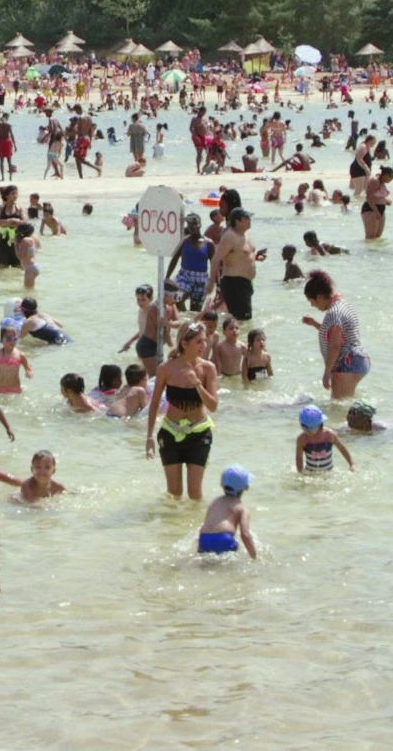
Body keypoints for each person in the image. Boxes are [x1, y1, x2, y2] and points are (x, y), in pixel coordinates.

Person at [144, 321, 218, 500]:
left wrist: (197, 384)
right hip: (170, 432)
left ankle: (195, 526)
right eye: (199, 342)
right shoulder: (166, 369)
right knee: (174, 493)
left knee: (195, 493)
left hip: (199, 434)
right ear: (185, 344)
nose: (204, 346)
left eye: (205, 341)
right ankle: (173, 527)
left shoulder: (208, 368)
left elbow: (213, 406)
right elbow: (154, 404)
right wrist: (149, 436)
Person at [300, 270, 369, 400]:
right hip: (357, 360)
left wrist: (327, 372)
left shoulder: (333, 313)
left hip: (347, 364)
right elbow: (336, 336)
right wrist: (314, 323)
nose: (312, 305)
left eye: (311, 301)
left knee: (339, 407)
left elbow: (335, 345)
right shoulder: (342, 304)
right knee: (345, 403)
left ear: (320, 297)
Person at [198, 465, 258, 558]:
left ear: (222, 484)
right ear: (246, 487)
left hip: (204, 538)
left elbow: (206, 524)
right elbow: (245, 534)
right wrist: (254, 556)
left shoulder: (214, 502)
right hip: (225, 539)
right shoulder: (242, 507)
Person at [210, 208, 258, 320]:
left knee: (243, 319)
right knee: (242, 319)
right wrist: (211, 282)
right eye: (247, 218)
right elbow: (216, 259)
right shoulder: (230, 236)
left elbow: (243, 254)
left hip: (246, 283)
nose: (250, 220)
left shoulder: (246, 234)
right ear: (237, 221)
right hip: (234, 282)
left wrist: (257, 257)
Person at [294, 406, 354, 473]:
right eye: (303, 427)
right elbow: (299, 457)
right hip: (311, 472)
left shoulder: (329, 435)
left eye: (308, 429)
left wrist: (352, 464)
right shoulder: (302, 439)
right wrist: (301, 473)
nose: (305, 431)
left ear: (320, 426)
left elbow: (342, 448)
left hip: (328, 471)